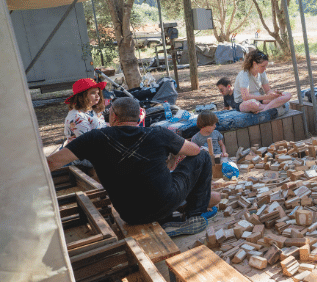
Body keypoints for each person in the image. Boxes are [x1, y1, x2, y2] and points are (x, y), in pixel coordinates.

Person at [46, 97, 220, 236]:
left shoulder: (95, 138)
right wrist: (174, 152)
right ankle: (194, 214)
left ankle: (173, 219)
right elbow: (195, 150)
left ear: (113, 116)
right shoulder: (157, 133)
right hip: (165, 203)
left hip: (130, 214)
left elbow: (52, 162)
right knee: (203, 156)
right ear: (139, 116)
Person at [63, 78, 107, 145]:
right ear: (82, 96)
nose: (98, 96)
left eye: (98, 93)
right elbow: (87, 143)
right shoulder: (77, 116)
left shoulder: (92, 110)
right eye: (93, 93)